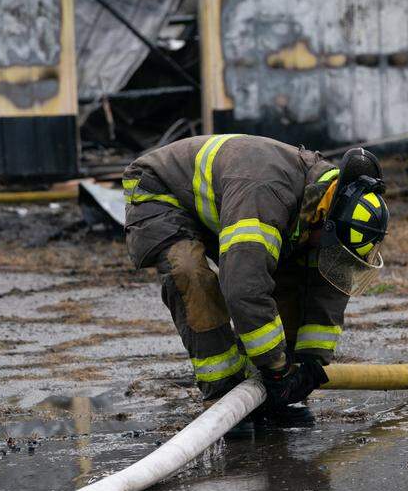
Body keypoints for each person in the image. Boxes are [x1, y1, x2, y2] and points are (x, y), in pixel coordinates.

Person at [122, 135, 388, 419]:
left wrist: (309, 362)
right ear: (326, 221)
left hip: (228, 199)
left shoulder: (326, 202)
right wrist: (278, 369)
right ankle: (223, 397)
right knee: (191, 274)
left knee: (290, 272)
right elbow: (244, 290)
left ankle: (261, 397)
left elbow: (326, 286)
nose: (331, 254)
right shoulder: (268, 195)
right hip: (162, 191)